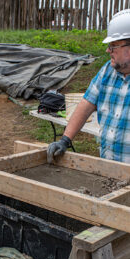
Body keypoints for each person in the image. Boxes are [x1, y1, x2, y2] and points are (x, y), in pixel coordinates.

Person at [47, 8, 130, 164]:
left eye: (113, 46)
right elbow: (87, 104)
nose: (108, 50)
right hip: (109, 168)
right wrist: (65, 140)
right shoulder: (107, 71)